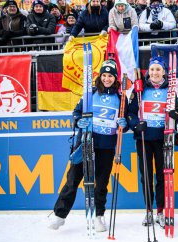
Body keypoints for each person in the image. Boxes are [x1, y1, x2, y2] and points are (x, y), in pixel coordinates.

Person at [48, 60, 129, 232]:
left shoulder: (121, 98)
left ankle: (98, 216)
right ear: (100, 76)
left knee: (101, 183)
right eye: (104, 75)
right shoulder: (90, 93)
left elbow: (125, 121)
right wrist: (79, 120)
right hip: (86, 141)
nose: (107, 79)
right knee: (73, 179)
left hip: (106, 146)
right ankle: (59, 215)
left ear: (115, 78)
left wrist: (125, 123)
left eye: (110, 76)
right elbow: (76, 113)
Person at [127, 56, 177, 229]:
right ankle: (149, 210)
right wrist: (135, 125)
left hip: (163, 138)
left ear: (164, 72)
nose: (155, 73)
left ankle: (161, 212)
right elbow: (130, 113)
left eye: (159, 69)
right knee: (146, 175)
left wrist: (175, 120)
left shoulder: (171, 90)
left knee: (163, 176)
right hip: (144, 138)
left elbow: (177, 113)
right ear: (148, 71)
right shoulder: (140, 89)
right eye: (153, 69)